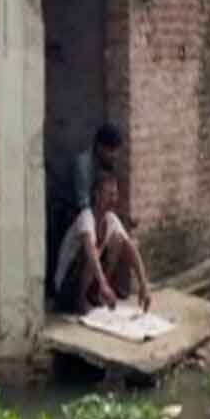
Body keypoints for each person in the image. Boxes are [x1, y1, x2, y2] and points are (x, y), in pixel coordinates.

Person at [55, 169, 152, 315]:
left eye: (115, 194)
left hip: (93, 282)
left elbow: (130, 248)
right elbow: (90, 252)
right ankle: (81, 301)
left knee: (119, 242)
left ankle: (97, 294)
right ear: (97, 195)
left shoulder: (111, 218)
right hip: (66, 289)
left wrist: (143, 284)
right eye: (110, 194)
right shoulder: (85, 217)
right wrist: (104, 285)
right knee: (92, 253)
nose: (114, 199)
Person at [73, 123, 124, 220]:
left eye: (117, 151)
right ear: (100, 147)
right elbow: (83, 203)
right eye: (111, 151)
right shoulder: (83, 165)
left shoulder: (109, 162)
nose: (115, 156)